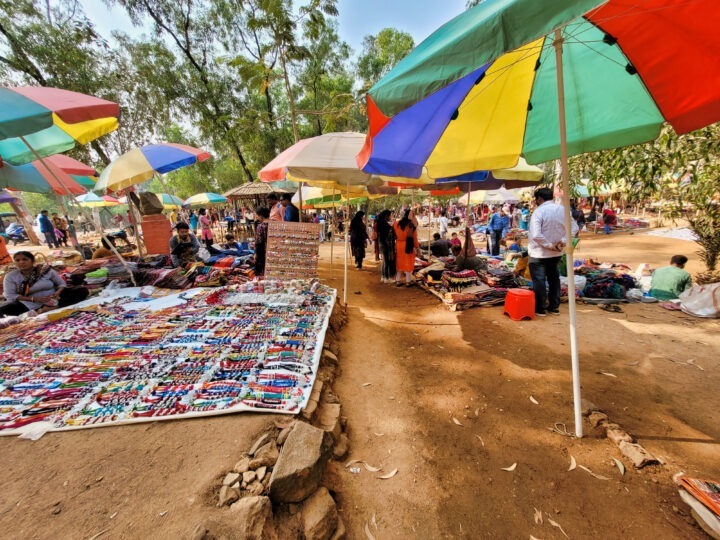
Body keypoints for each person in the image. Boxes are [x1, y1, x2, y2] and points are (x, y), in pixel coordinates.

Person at [528, 188, 578, 316]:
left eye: (536, 199)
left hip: (539, 253)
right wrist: (561, 242)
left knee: (539, 280)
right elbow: (574, 228)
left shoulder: (538, 212)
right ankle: (554, 307)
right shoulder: (563, 210)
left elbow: (536, 234)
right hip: (556, 253)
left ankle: (541, 308)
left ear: (539, 198)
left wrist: (550, 245)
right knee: (554, 278)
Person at [0, 251, 88, 316]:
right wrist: (35, 299)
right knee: (3, 310)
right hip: (27, 302)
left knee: (81, 290)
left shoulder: (45, 270)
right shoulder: (11, 276)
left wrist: (57, 293)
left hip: (53, 299)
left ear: (32, 261)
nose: (21, 262)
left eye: (25, 259)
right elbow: (10, 295)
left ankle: (53, 307)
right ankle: (41, 310)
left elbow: (61, 284)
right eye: (17, 260)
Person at [393, 209, 420, 286]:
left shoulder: (396, 223)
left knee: (399, 262)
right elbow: (414, 238)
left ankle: (398, 280)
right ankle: (408, 281)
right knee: (408, 262)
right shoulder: (411, 225)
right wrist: (417, 248)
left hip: (398, 245)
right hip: (408, 245)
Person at [376, 210, 396, 284]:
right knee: (386, 261)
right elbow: (389, 233)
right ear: (386, 215)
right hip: (386, 244)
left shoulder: (380, 222)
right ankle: (387, 278)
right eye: (390, 215)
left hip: (382, 243)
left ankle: (383, 276)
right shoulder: (384, 223)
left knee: (384, 261)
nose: (391, 217)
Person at [253, 207, 271, 276]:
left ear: (261, 215)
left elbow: (259, 242)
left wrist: (256, 254)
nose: (257, 217)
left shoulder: (261, 226)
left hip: (264, 252)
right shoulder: (275, 224)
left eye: (257, 215)